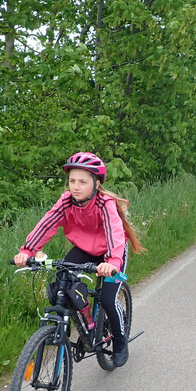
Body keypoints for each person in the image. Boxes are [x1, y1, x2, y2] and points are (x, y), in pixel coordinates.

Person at [14, 152, 144, 366]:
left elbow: (115, 233)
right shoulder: (67, 201)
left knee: (108, 299)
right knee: (60, 288)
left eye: (82, 182)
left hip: (112, 252)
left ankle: (120, 342)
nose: (75, 186)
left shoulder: (105, 203)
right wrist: (28, 250)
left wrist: (112, 262)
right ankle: (87, 325)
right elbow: (47, 224)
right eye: (72, 181)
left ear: (96, 183)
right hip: (84, 249)